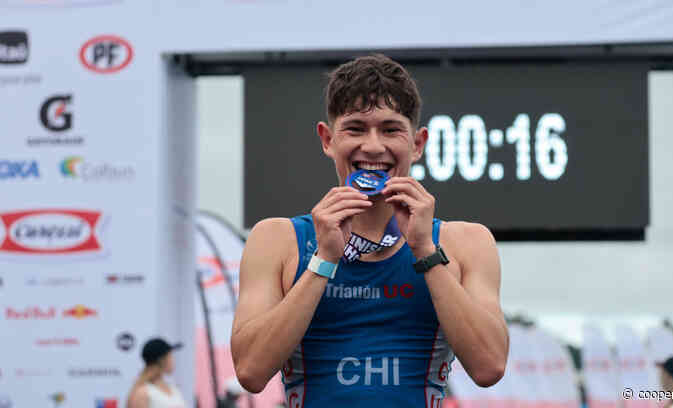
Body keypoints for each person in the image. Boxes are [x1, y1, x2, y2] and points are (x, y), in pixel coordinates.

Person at [231, 54, 509, 407]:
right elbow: (251, 371)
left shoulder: (466, 242)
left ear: (418, 143)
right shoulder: (277, 239)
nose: (374, 146)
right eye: (356, 128)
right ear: (327, 139)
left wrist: (424, 250)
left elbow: (489, 367)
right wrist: (325, 258)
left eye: (391, 129)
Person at [127, 337, 187, 408]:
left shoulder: (173, 389)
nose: (173, 361)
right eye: (170, 356)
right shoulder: (142, 393)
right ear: (161, 360)